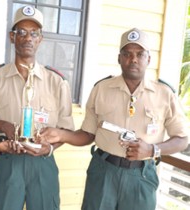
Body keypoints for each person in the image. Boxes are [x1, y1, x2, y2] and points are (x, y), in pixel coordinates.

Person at [40, 28, 189, 210]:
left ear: (148, 59)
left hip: (141, 176)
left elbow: (182, 140)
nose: (133, 59)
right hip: (103, 172)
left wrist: (152, 150)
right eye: (127, 53)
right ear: (119, 58)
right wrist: (61, 135)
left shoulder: (164, 94)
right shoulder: (102, 89)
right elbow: (88, 134)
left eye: (140, 54)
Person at [0, 5, 74, 210]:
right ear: (12, 37)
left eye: (33, 33)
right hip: (9, 159)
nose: (27, 38)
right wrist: (3, 126)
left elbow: (66, 130)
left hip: (43, 163)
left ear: (40, 39)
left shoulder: (57, 82)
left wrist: (50, 149)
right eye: (21, 32)